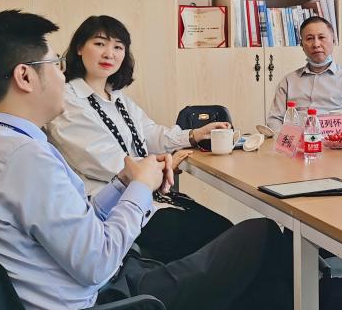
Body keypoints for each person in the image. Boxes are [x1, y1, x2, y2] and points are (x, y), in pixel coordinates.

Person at [0, 10, 301, 310]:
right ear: (25, 77)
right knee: (262, 235)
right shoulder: (23, 159)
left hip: (88, 304)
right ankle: (313, 302)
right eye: (55, 64)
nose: (62, 73)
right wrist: (140, 188)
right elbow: (97, 263)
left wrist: (121, 184)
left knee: (265, 287)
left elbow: (74, 221)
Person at [46, 15, 232, 262]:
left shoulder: (117, 97)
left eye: (118, 47)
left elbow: (149, 133)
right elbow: (107, 161)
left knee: (224, 229)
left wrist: (193, 135)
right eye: (99, 44)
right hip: (110, 209)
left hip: (148, 197)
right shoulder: (67, 100)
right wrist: (162, 167)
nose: (109, 54)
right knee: (221, 236)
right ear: (79, 48)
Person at [266, 15, 342, 131]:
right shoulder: (288, 81)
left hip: (336, 140)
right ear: (302, 45)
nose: (316, 44)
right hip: (297, 140)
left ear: (333, 41)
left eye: (321, 37)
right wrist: (285, 138)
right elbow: (274, 119)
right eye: (309, 38)